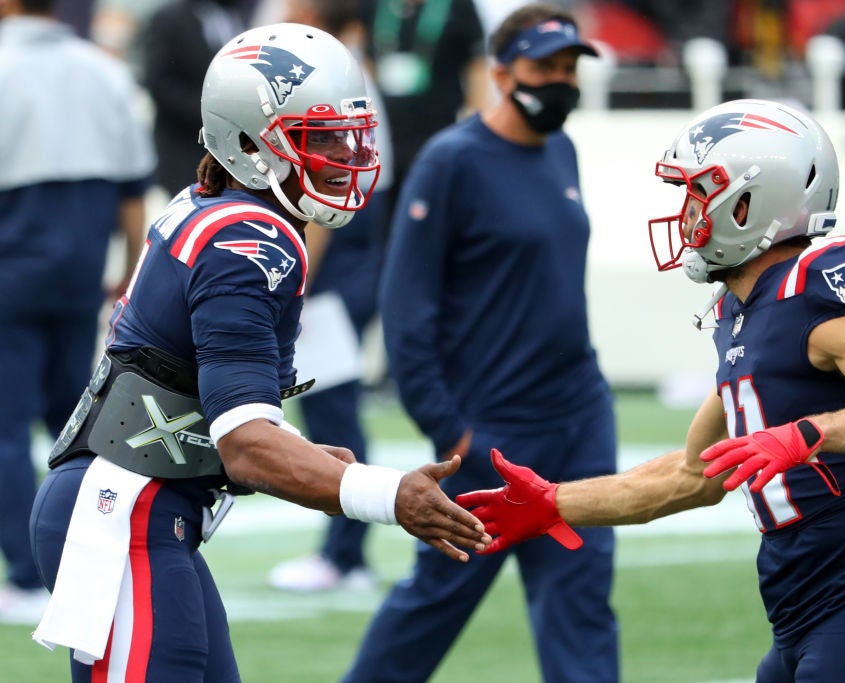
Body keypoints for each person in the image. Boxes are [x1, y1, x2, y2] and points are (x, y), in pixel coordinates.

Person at [28, 22, 489, 681]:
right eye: (319, 137)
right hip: (127, 513)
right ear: (248, 143)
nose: (345, 154)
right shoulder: (250, 242)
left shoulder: (218, 209)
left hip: (143, 504)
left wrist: (292, 458)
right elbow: (245, 442)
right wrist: (388, 495)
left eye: (346, 134)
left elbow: (201, 416)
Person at [458, 98, 845, 682]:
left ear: (751, 202)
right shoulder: (742, 310)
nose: (686, 212)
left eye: (699, 191)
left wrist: (807, 434)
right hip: (800, 619)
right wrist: (553, 502)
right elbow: (693, 475)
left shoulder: (817, 294)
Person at [342, 5, 620, 682]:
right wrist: (450, 430)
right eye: (542, 67)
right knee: (436, 598)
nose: (559, 80)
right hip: (492, 438)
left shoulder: (563, 150)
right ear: (500, 72)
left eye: (568, 68)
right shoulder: (451, 162)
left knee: (580, 602)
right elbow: (407, 309)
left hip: (577, 421)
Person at [0, 0, 155, 624]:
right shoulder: (103, 68)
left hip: (11, 270)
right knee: (79, 426)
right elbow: (132, 186)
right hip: (82, 271)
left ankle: (26, 570)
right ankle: (81, 559)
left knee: (6, 429)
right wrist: (128, 273)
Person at [266, 0, 397, 593]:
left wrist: (295, 280)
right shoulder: (349, 75)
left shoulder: (333, 83)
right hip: (349, 254)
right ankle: (347, 551)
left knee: (332, 402)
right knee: (330, 400)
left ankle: (345, 552)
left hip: (334, 259)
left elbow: (329, 191)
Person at [364, 0, 490, 227]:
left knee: (432, 213)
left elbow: (477, 66)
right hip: (385, 138)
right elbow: (365, 58)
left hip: (438, 132)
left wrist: (477, 126)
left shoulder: (459, 7)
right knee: (385, 220)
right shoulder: (374, 6)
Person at [140, 0, 251, 198]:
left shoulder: (234, 15)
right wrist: (214, 116)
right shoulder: (169, 18)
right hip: (182, 153)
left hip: (230, 156)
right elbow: (159, 83)